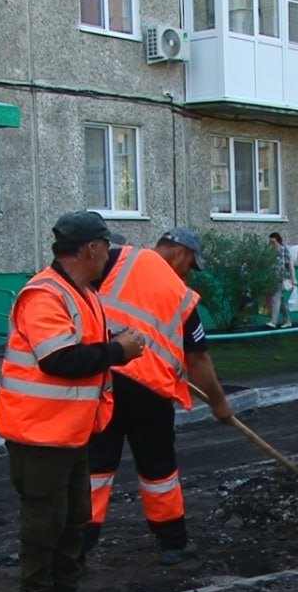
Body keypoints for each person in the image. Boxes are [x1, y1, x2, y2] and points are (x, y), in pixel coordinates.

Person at [0, 211, 146, 592]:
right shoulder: (44, 294)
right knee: (45, 521)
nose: (109, 255)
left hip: (69, 431)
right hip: (37, 432)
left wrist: (120, 341)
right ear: (90, 249)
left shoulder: (80, 293)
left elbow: (87, 342)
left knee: (74, 515)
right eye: (106, 247)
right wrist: (118, 351)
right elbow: (59, 359)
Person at [85, 227, 234, 567]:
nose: (187, 273)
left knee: (95, 467)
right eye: (190, 265)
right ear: (179, 253)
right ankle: (173, 544)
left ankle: (78, 544)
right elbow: (198, 359)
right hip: (148, 394)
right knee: (159, 470)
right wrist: (219, 402)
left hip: (101, 381)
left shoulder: (115, 258)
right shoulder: (181, 296)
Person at [266, 232, 297, 329]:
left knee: (276, 298)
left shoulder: (284, 250)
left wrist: (293, 279)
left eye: (273, 242)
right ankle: (287, 321)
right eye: (270, 242)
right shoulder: (271, 252)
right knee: (280, 300)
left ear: (278, 241)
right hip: (273, 278)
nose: (272, 244)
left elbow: (290, 265)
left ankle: (273, 321)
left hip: (282, 278)